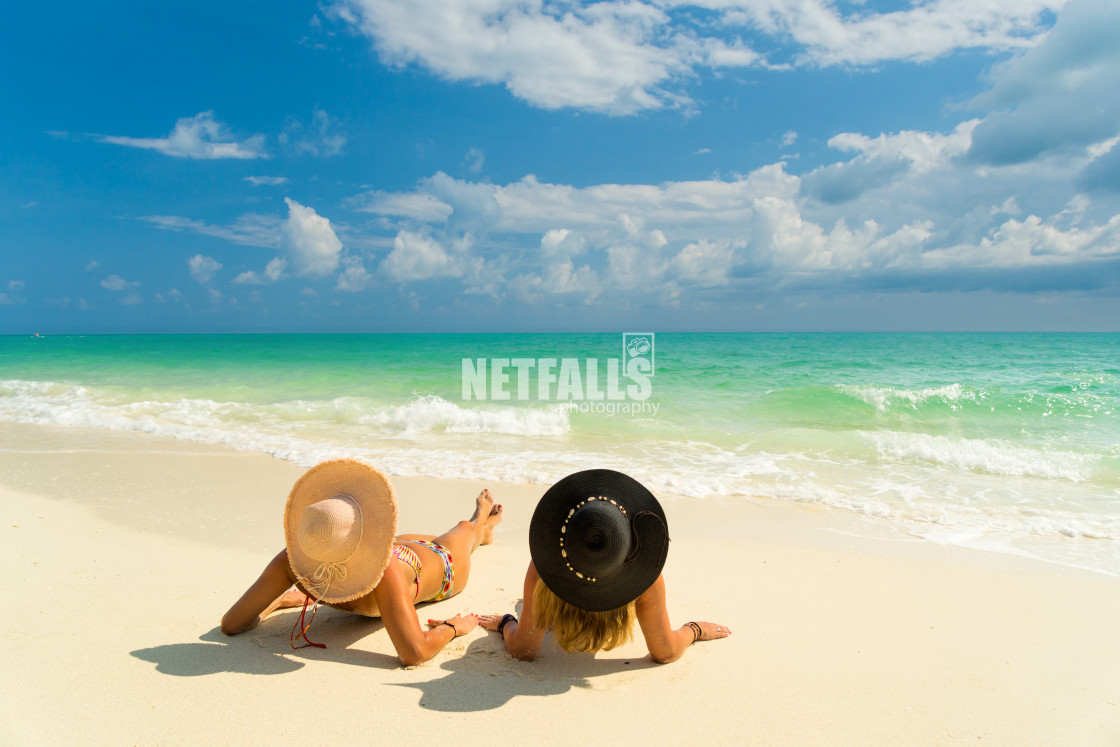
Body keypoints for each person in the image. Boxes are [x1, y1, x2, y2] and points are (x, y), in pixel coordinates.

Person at [221, 458, 501, 666]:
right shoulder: (381, 570)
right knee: (460, 534)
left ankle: (481, 522)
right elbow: (415, 653)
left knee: (465, 530)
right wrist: (452, 628)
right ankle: (479, 525)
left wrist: (276, 598)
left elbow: (233, 623)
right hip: (433, 561)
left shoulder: (294, 562)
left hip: (434, 563)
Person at [480, 469, 730, 664]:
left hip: (561, 611)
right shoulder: (645, 577)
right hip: (613, 620)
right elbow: (665, 651)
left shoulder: (543, 567)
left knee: (527, 604)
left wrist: (506, 624)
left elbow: (524, 651)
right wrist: (694, 630)